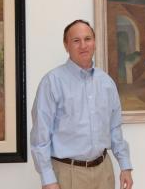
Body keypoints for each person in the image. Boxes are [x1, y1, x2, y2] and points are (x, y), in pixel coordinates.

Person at [30, 20, 133, 189]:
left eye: (88, 39)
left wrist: (125, 166)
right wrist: (48, 179)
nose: (83, 45)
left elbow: (115, 128)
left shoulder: (106, 83)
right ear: (66, 45)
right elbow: (40, 137)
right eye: (76, 41)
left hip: (104, 172)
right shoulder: (52, 82)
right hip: (67, 175)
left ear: (94, 43)